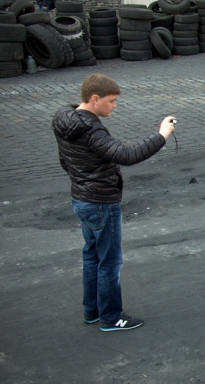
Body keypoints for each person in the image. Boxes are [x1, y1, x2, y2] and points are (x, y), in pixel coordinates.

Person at [52, 74, 176, 332]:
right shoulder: (90, 129)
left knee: (92, 256)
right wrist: (161, 136)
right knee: (109, 261)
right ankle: (111, 317)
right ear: (94, 99)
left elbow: (65, 161)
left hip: (80, 198)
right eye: (112, 101)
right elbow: (126, 155)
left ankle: (92, 311)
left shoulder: (64, 119)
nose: (115, 106)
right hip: (100, 202)